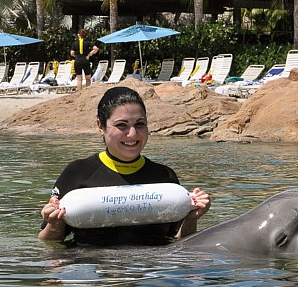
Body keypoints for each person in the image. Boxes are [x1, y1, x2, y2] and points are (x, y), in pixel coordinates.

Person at [38, 86, 211, 246]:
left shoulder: (164, 177)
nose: (132, 134)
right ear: (100, 125)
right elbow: (49, 243)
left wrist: (191, 219)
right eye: (122, 125)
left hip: (150, 272)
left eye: (140, 124)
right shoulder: (78, 173)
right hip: (93, 269)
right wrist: (55, 223)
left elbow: (179, 240)